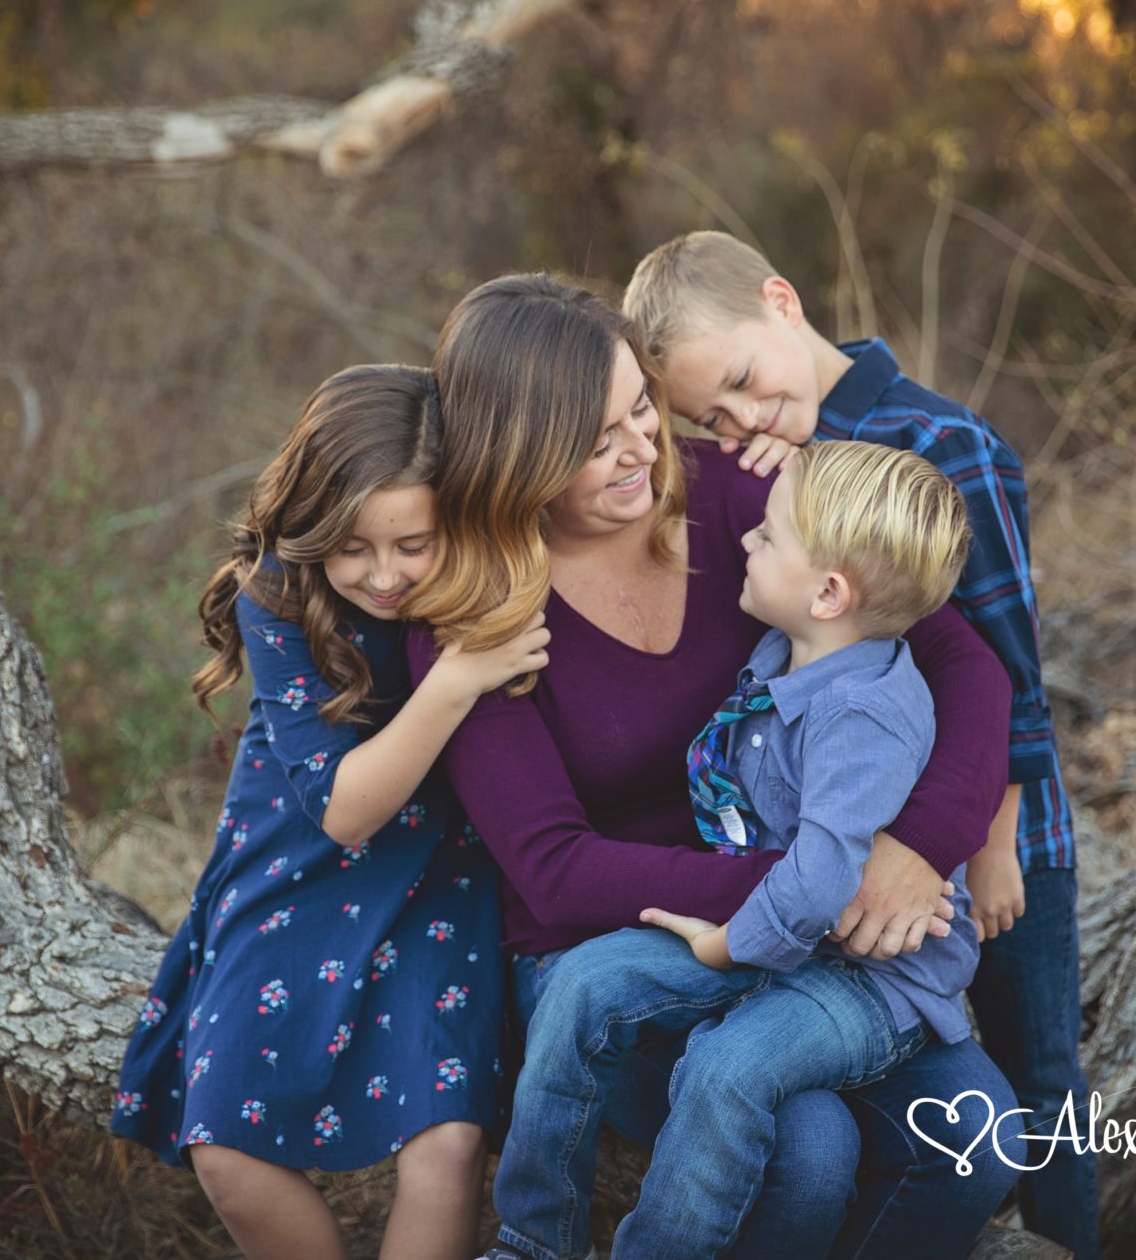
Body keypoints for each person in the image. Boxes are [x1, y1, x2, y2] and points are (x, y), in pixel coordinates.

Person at [404, 274, 1025, 1260]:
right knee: (805, 1148)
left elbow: (963, 661)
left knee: (971, 1143)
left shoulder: (735, 489)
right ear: (515, 452)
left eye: (641, 406)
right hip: (611, 940)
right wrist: (808, 890)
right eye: (596, 437)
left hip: (816, 912)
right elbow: (554, 864)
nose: (642, 446)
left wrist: (916, 847)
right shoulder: (477, 605)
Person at [625, 231, 1098, 1258]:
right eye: (712, 415)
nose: (742, 419)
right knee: (910, 1081)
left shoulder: (937, 442)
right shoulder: (770, 467)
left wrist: (983, 839)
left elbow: (1004, 668)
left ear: (782, 300)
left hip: (994, 842)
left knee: (1040, 1077)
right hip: (849, 853)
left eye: (744, 381)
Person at [481, 440, 981, 1260]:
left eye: (769, 537)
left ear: (828, 592)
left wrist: (723, 943)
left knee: (727, 1068)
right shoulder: (791, 650)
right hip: (782, 937)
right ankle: (532, 1239)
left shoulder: (863, 714)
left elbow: (824, 883)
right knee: (578, 985)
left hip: (866, 977)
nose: (745, 540)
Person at [109, 365, 549, 1260]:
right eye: (351, 546)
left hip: (438, 869)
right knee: (228, 1146)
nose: (382, 576)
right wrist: (460, 677)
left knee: (446, 1138)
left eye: (411, 544)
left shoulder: (495, 566)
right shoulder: (275, 591)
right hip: (295, 853)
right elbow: (343, 809)